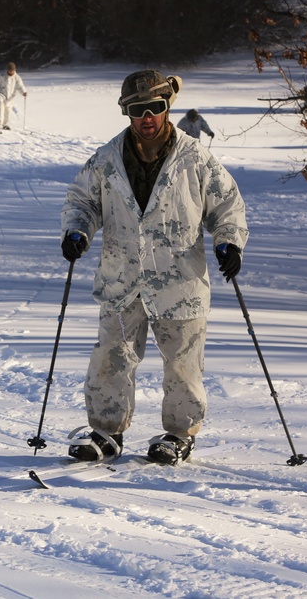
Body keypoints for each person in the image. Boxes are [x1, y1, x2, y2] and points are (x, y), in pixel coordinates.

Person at [60, 70, 248, 465]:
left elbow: (227, 204)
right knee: (111, 356)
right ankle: (105, 432)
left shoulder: (194, 157)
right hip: (122, 278)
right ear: (126, 113)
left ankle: (179, 434)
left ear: (167, 108)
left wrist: (229, 242)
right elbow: (82, 201)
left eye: (156, 108)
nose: (147, 117)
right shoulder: (107, 160)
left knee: (183, 365)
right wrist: (77, 231)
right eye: (137, 110)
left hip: (179, 281)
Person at [0, 62, 27, 130]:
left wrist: (23, 92)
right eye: (9, 70)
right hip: (1, 94)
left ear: (14, 70)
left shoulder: (17, 77)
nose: (11, 72)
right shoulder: (2, 76)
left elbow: (20, 86)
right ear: (7, 70)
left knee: (8, 110)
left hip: (10, 96)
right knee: (0, 108)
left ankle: (6, 124)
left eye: (12, 70)